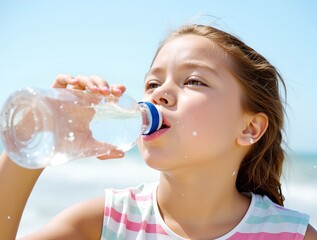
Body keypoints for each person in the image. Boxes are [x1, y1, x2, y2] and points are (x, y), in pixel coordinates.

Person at [1, 24, 316, 240]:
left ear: (249, 127)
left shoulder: (290, 234)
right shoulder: (107, 222)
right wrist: (31, 145)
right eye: (152, 83)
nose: (158, 93)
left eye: (193, 81)